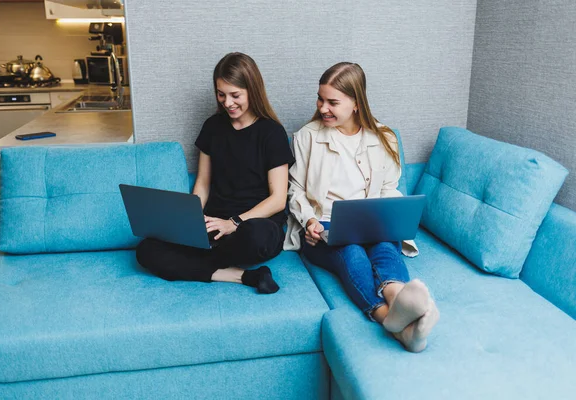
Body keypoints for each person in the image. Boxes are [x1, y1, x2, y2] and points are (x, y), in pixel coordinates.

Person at [285, 62, 439, 351]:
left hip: (370, 222)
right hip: (322, 227)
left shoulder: (383, 137)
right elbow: (294, 190)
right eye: (320, 99)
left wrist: (393, 219)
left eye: (333, 102)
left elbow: (387, 188)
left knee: (383, 246)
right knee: (353, 253)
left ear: (356, 103)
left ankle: (398, 298)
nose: (323, 108)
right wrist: (308, 222)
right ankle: (392, 322)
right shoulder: (307, 136)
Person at [136, 52, 294, 294]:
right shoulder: (213, 127)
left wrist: (234, 223)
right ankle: (244, 276)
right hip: (214, 225)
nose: (227, 103)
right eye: (221, 94)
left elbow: (278, 199)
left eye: (235, 95)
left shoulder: (271, 133)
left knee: (257, 236)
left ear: (253, 90)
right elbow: (203, 183)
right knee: (146, 250)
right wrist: (190, 220)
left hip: (253, 225)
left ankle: (195, 261)